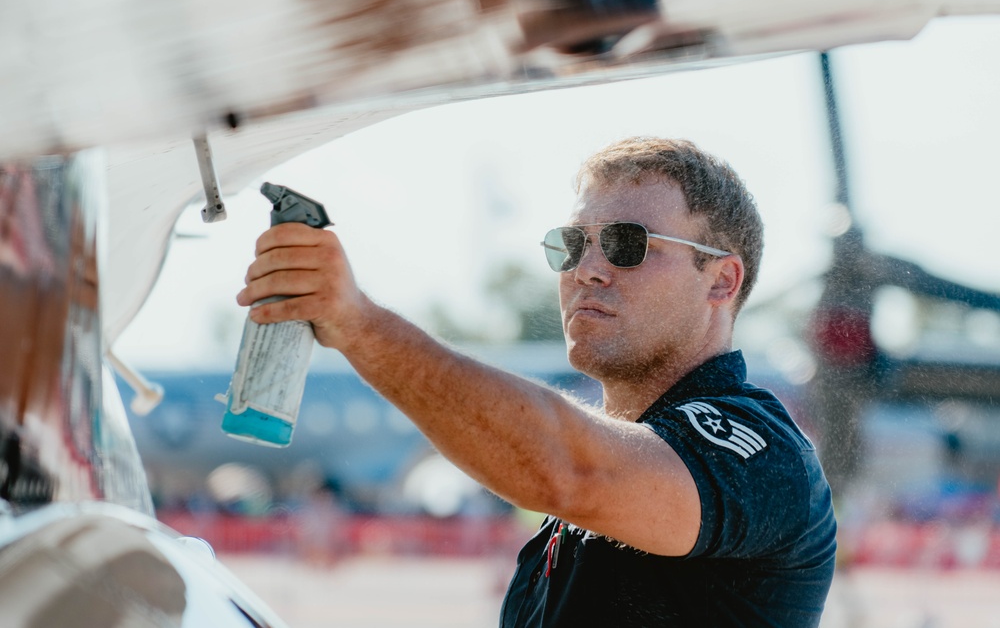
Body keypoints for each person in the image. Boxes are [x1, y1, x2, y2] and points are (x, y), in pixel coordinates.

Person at [237, 136, 837, 626]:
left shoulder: (763, 452)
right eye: (574, 243)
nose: (588, 270)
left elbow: (575, 472)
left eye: (628, 245)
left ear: (721, 282)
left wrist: (360, 325)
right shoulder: (576, 509)